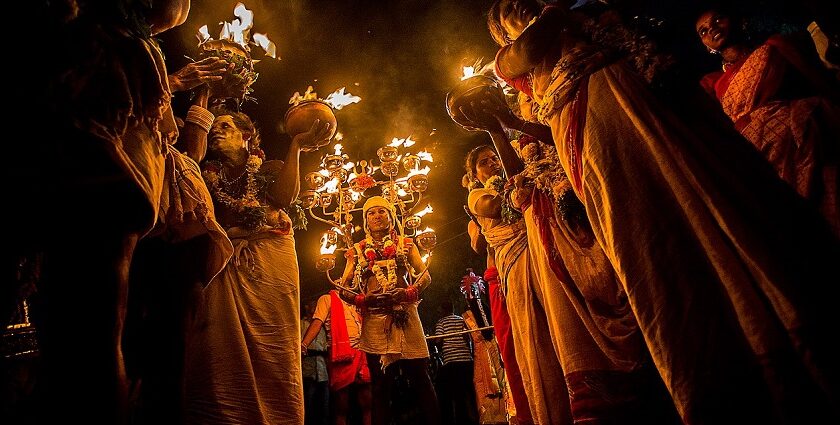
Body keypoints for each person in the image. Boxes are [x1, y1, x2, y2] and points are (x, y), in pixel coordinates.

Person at [489, 0, 840, 423]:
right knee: (651, 242)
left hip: (645, 109)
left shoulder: (590, 21)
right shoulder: (519, 54)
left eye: (524, 3)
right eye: (510, 11)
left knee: (713, 204)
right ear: (501, 33)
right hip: (595, 134)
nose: (521, 9)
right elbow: (524, 53)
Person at [9, 1, 190, 422]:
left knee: (81, 333)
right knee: (92, 335)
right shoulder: (115, 43)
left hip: (102, 200)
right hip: (97, 199)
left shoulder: (124, 44)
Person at [184, 111, 332, 424]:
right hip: (226, 267)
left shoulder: (268, 168)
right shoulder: (208, 176)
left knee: (273, 346)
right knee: (219, 348)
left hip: (269, 266)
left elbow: (282, 199)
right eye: (213, 128)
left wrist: (295, 146)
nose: (216, 132)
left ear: (247, 135)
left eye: (225, 126)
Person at [696, 5, 840, 236]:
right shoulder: (713, 83)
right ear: (705, 46)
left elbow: (813, 77)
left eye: (717, 20)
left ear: (734, 20)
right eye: (703, 31)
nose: (711, 29)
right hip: (755, 156)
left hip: (799, 137)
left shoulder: (776, 48)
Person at [336, 196, 440, 425]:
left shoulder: (406, 244)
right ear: (365, 220)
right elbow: (343, 288)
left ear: (391, 217)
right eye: (371, 213)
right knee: (381, 384)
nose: (377, 216)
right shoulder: (357, 250)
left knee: (420, 376)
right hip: (374, 318)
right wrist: (363, 299)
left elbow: (426, 276)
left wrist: (408, 292)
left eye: (382, 212)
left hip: (405, 314)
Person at [301, 290, 373, 425]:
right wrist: (304, 344)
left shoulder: (358, 301)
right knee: (341, 406)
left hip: (362, 353)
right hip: (341, 356)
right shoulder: (326, 299)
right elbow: (317, 322)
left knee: (367, 403)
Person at [434, 300, 479, 425]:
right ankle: (476, 417)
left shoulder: (441, 322)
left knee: (457, 393)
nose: (438, 313)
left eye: (439, 310)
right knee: (470, 391)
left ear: (443, 310)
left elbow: (438, 340)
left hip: (452, 361)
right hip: (466, 360)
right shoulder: (461, 319)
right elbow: (467, 338)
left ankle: (462, 420)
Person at [301, 301, 331, 425]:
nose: (315, 307)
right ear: (306, 306)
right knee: (308, 406)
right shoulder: (301, 324)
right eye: (312, 304)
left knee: (324, 407)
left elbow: (326, 347)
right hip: (307, 371)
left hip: (323, 371)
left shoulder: (323, 327)